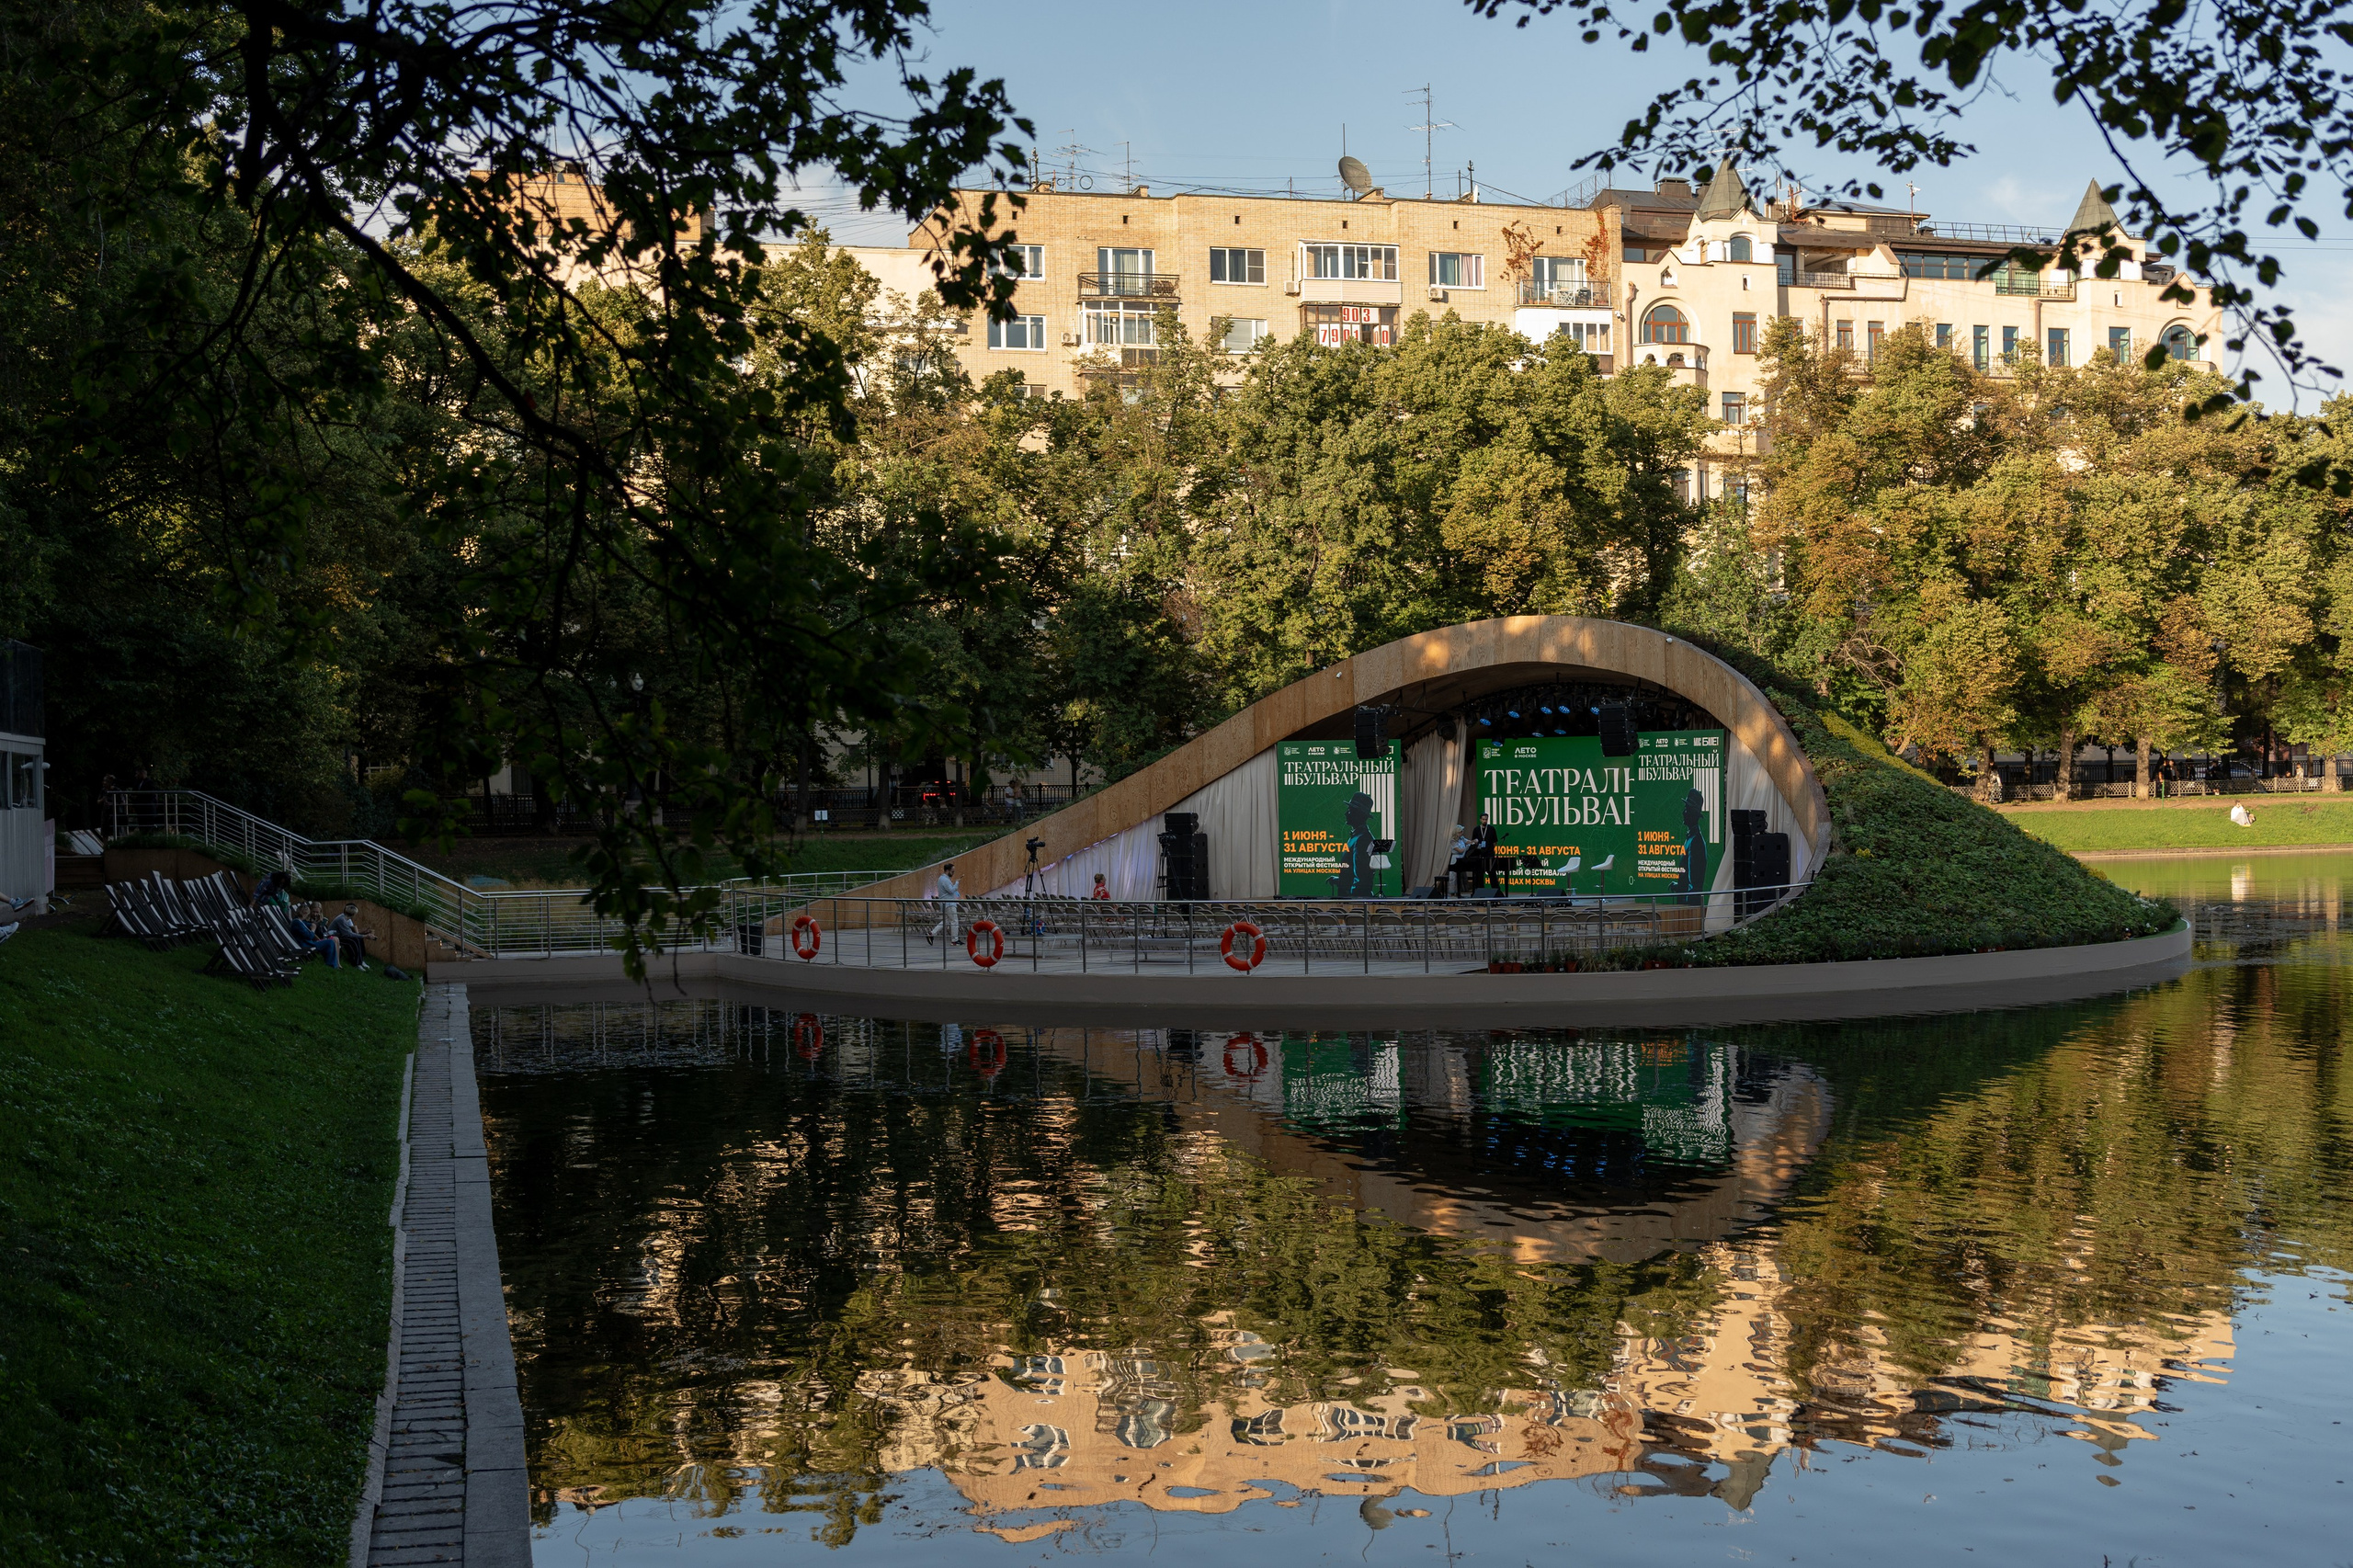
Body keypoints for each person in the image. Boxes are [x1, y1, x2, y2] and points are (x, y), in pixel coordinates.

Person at [327, 903, 376, 969]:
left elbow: (349, 932)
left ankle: (360, 961)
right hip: (334, 937)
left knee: (357, 939)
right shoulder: (342, 920)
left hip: (339, 936)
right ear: (354, 914)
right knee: (353, 941)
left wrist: (363, 935)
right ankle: (356, 963)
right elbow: (348, 934)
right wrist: (365, 936)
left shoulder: (344, 918)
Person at [926, 862, 961, 944]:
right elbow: (951, 890)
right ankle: (955, 940)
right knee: (954, 921)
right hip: (949, 903)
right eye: (952, 872)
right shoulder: (944, 879)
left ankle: (932, 933)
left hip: (945, 903)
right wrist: (956, 883)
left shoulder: (942, 879)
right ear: (947, 871)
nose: (953, 873)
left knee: (947, 921)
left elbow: (949, 890)